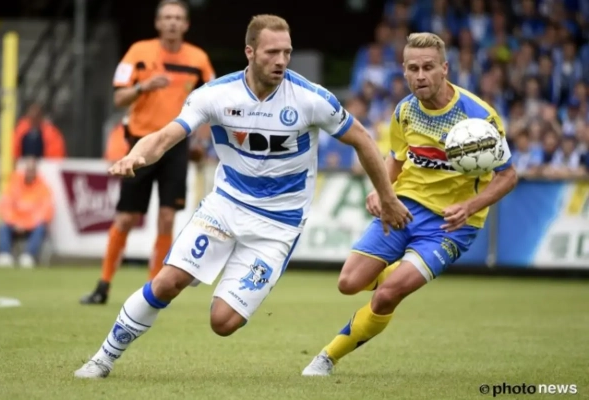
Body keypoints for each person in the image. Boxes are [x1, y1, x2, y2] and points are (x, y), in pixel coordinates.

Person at [73, 14, 413, 379]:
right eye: (272, 52)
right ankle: (102, 358)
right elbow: (164, 136)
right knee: (168, 281)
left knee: (223, 322)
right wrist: (136, 156)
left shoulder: (311, 99)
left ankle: (237, 284)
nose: (281, 60)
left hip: (278, 224)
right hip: (225, 206)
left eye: (287, 52)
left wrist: (387, 197)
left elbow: (362, 139)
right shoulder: (216, 95)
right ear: (249, 52)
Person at [302, 32, 518, 376]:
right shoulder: (405, 111)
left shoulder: (479, 117)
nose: (420, 75)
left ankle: (327, 358)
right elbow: (397, 158)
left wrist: (470, 206)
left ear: (445, 69)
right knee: (348, 283)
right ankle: (397, 272)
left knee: (387, 295)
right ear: (403, 71)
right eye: (413, 68)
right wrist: (382, 191)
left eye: (428, 67)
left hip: (450, 225)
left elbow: (508, 176)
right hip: (404, 208)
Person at [80, 0, 216, 304]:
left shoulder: (198, 59)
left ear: (186, 24)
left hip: (176, 147)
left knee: (167, 217)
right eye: (167, 17)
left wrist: (201, 143)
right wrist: (143, 87)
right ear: (157, 23)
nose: (172, 22)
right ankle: (103, 285)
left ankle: (153, 289)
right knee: (126, 218)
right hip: (140, 146)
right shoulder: (138, 52)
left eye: (178, 17)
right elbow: (118, 98)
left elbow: (213, 104)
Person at [0, 157, 54, 268]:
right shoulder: (14, 185)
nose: (30, 173)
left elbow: (46, 211)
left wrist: (26, 224)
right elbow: (5, 206)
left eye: (32, 170)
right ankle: (4, 255)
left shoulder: (43, 188)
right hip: (15, 224)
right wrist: (15, 222)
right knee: (3, 227)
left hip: (32, 226)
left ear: (36, 172)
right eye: (28, 170)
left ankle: (28, 256)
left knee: (40, 228)